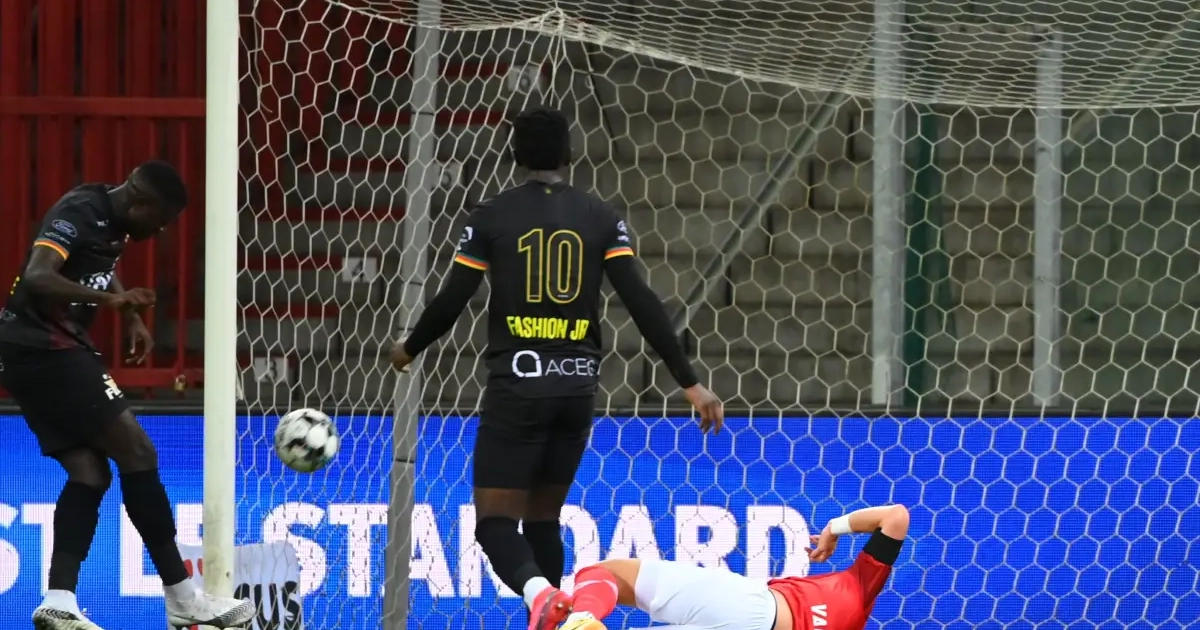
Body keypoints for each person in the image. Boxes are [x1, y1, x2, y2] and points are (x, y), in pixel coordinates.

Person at [390, 107, 724, 630]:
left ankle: (542, 595)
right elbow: (641, 300)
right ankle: (555, 620)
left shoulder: (491, 216)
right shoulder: (600, 216)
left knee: (495, 524)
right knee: (543, 519)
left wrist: (409, 347)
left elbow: (454, 298)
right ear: (569, 153)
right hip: (576, 390)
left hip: (518, 390)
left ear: (515, 155)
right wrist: (690, 382)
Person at [0, 161, 254, 630]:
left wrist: (130, 315)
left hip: (32, 351)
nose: (159, 231)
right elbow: (37, 275)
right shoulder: (79, 211)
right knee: (137, 452)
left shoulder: (112, 217)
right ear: (139, 202)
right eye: (159, 220)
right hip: (44, 349)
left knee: (90, 473)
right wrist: (112, 302)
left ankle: (58, 600)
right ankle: (183, 598)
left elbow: (99, 263)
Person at [561, 503, 909, 630]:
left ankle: (582, 619)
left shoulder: (860, 585)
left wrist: (834, 528)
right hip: (755, 610)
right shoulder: (858, 594)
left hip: (753, 605)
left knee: (603, 574)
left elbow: (896, 516)